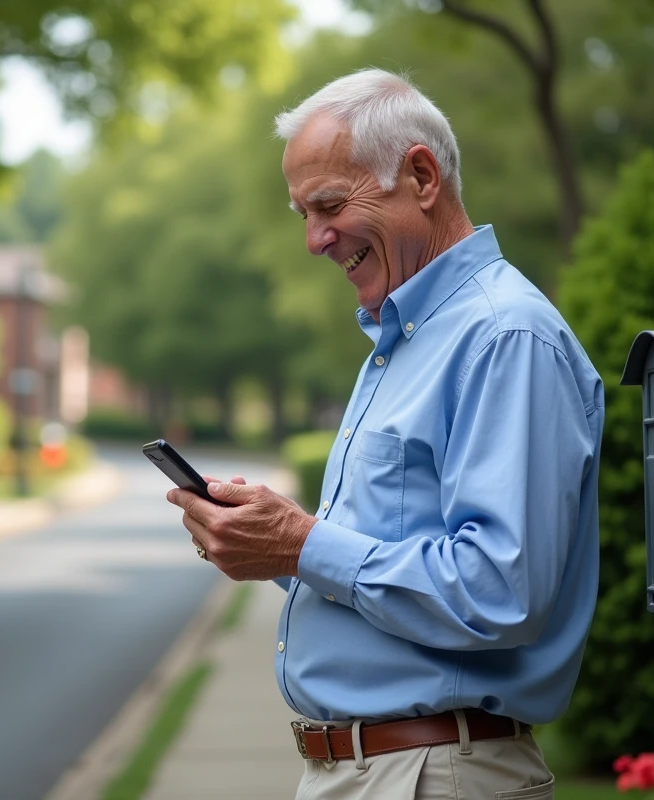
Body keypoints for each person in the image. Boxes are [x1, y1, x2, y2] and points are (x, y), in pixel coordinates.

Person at [166, 68, 603, 800]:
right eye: (302, 213)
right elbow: (393, 554)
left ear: (422, 177)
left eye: (330, 205)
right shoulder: (411, 337)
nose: (314, 239)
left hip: (433, 774)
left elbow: (501, 589)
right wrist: (278, 544)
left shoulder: (503, 336)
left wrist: (303, 545)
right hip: (388, 772)